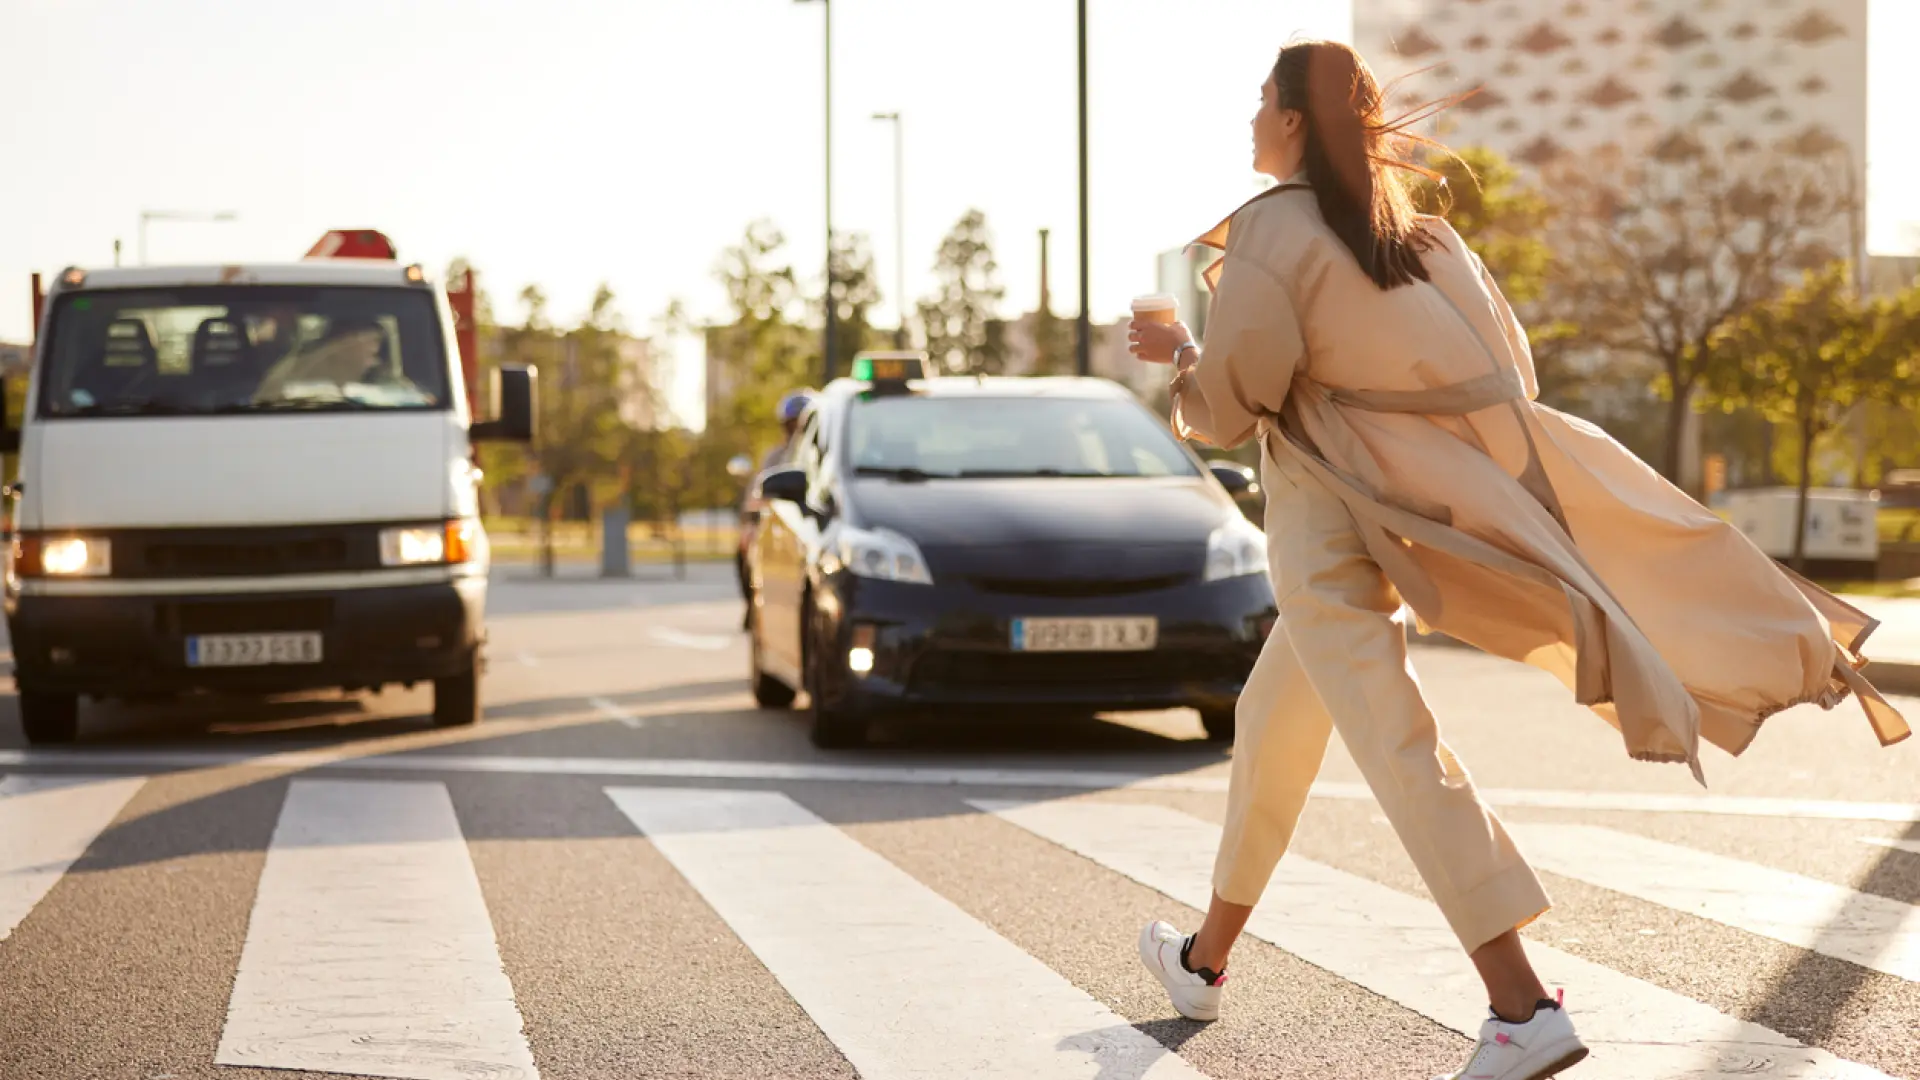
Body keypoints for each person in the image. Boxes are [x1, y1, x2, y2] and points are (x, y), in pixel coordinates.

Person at [1126, 40, 1908, 1080]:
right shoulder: (1427, 239)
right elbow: (1509, 370)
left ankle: (1521, 1002)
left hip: (1324, 515)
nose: (1249, 122)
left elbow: (1230, 404)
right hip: (1406, 509)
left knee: (1398, 747)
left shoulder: (1273, 230)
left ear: (1296, 121)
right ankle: (1204, 960)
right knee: (1274, 732)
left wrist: (1182, 359)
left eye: (1260, 103)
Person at [738, 388, 817, 624]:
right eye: (791, 425)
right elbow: (756, 494)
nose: (796, 432)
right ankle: (753, 603)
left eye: (801, 425)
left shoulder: (819, 456)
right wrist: (753, 514)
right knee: (746, 542)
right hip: (774, 524)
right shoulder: (775, 458)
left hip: (808, 527)